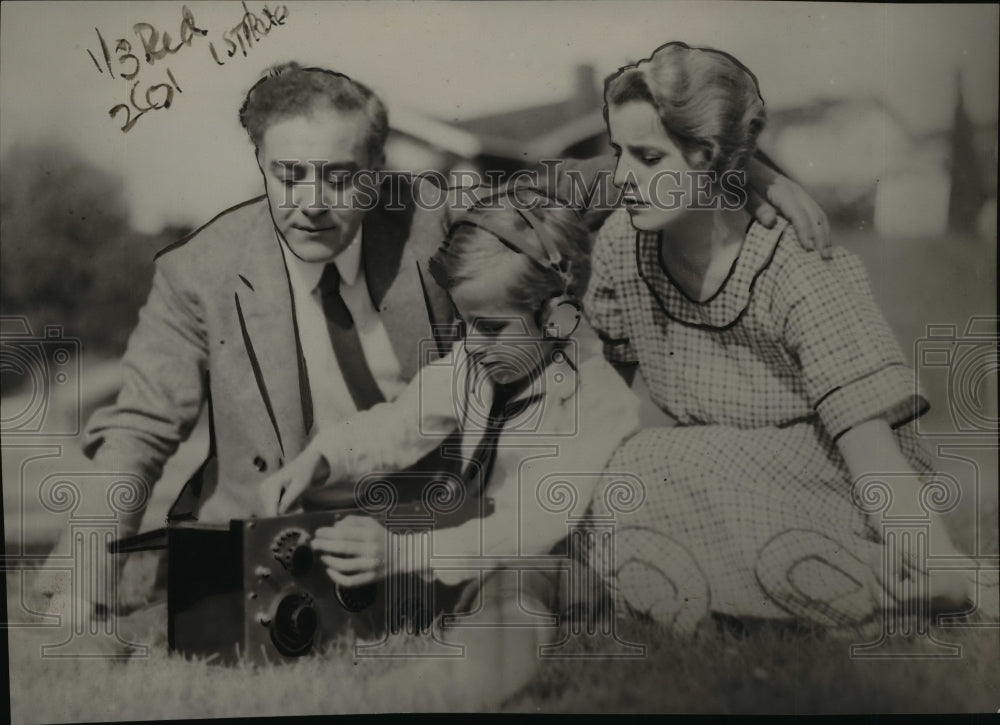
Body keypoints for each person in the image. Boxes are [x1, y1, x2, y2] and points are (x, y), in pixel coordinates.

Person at [30, 59, 826, 630]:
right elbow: (138, 429)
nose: (310, 203)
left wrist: (742, 173)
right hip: (273, 535)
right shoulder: (195, 273)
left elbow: (584, 182)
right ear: (261, 165)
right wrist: (84, 562)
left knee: (527, 591)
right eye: (289, 175)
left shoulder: (433, 217)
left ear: (378, 172)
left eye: (339, 177)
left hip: (433, 525)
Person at [584, 41, 990, 633]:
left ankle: (900, 579)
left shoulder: (795, 266)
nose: (621, 178)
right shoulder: (623, 244)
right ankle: (822, 589)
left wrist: (931, 553)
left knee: (651, 468)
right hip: (713, 481)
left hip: (836, 483)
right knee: (621, 480)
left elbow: (869, 443)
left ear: (710, 158)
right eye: (618, 153)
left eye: (646, 157)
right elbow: (603, 403)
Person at [259, 188, 639, 707]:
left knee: (516, 588)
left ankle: (455, 684)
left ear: (559, 317)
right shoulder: (474, 363)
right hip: (475, 550)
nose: (472, 344)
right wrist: (321, 458)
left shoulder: (593, 396)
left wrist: (404, 551)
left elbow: (532, 527)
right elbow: (397, 424)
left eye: (491, 327)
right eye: (464, 325)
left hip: (569, 560)